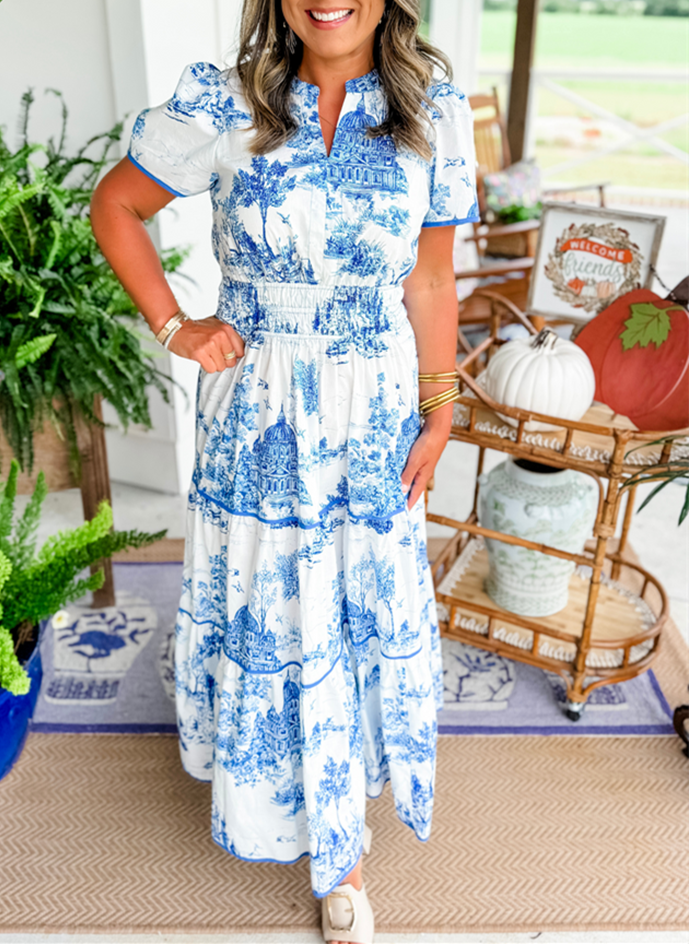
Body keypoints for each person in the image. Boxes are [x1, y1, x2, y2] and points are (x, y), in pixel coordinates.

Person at [91, 0, 478, 941]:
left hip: (374, 405)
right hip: (256, 404)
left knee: (356, 602)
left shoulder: (433, 107)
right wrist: (177, 326)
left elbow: (430, 278)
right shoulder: (223, 103)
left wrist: (440, 408)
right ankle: (301, 820)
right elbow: (116, 206)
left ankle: (340, 833)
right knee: (276, 606)